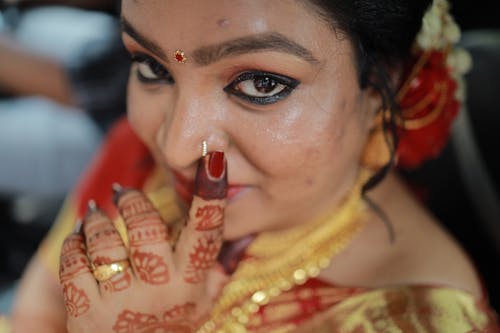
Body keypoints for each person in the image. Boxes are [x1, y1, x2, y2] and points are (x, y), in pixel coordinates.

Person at [5, 0, 500, 332]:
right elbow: (34, 311)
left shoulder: (409, 319)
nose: (177, 148)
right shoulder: (136, 151)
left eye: (261, 84)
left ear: (383, 87)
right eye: (152, 67)